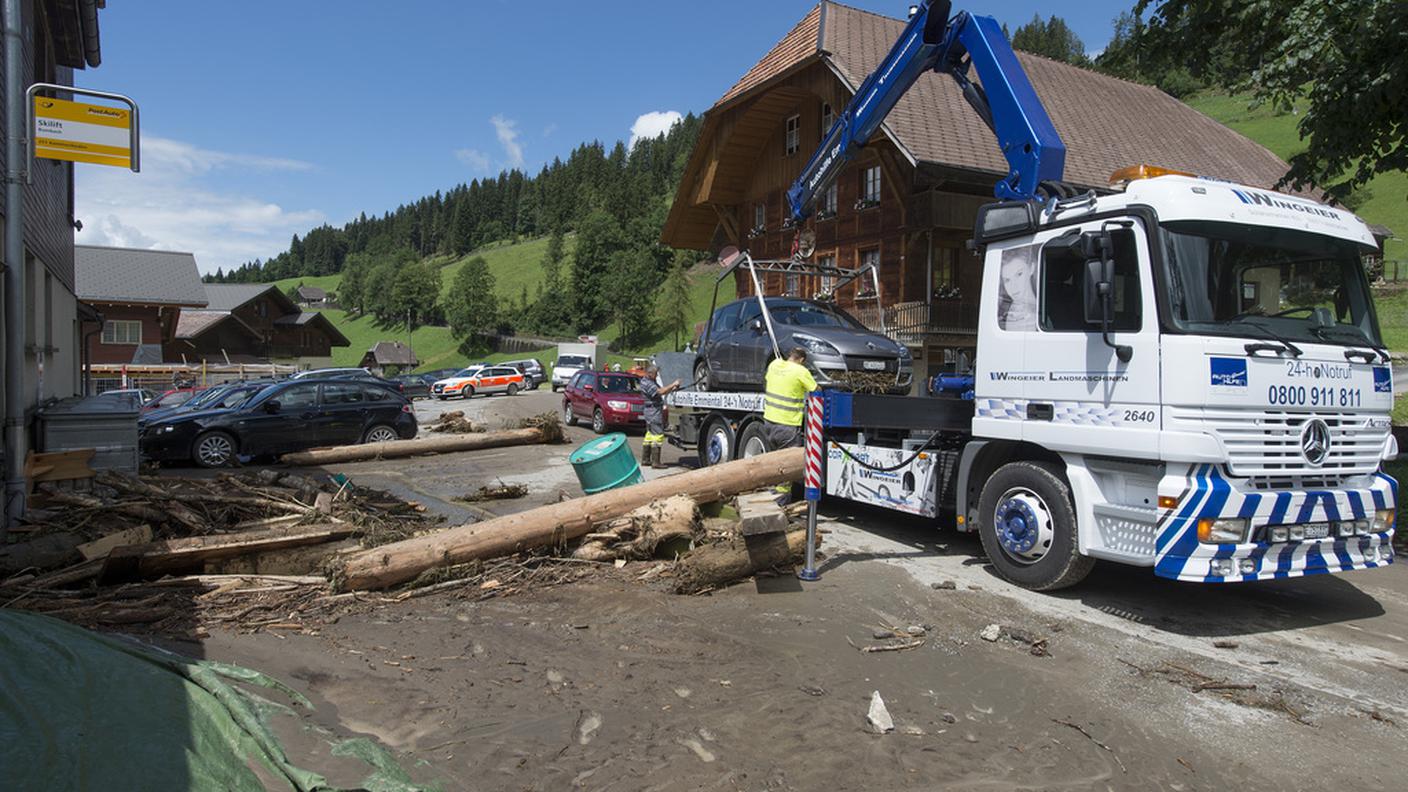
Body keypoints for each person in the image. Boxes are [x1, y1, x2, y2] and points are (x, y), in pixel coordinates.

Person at [762, 347, 818, 504]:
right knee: (787, 465)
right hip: (787, 425)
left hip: (769, 421)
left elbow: (769, 380)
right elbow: (815, 389)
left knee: (774, 461)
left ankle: (771, 494)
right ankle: (780, 502)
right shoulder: (801, 371)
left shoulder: (774, 365)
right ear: (801, 360)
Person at [637, 363, 681, 469]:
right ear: (650, 373)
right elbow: (661, 391)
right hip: (653, 411)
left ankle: (646, 459)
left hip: (650, 410)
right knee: (658, 435)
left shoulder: (649, 381)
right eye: (656, 374)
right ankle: (656, 462)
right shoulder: (647, 383)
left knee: (650, 435)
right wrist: (673, 383)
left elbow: (663, 390)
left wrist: (672, 387)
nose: (657, 376)